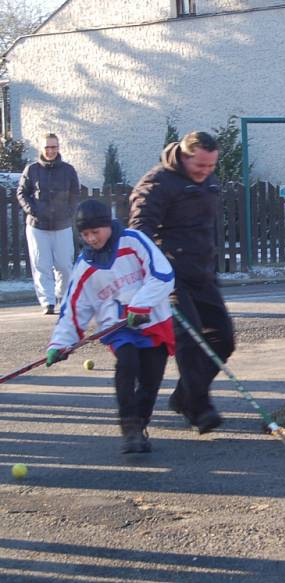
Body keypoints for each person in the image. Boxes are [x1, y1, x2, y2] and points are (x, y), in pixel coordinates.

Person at [46, 199, 175, 453]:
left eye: (95, 232)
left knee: (151, 379)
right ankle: (130, 429)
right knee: (126, 365)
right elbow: (74, 308)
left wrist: (140, 305)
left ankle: (141, 423)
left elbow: (163, 273)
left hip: (153, 321)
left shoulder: (133, 241)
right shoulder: (84, 267)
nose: (91, 239)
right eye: (85, 234)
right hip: (118, 327)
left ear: (108, 225)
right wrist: (60, 343)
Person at [127, 131, 233, 434]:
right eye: (200, 165)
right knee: (189, 340)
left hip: (202, 273)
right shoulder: (157, 183)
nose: (206, 172)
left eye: (211, 166)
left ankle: (185, 396)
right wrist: (152, 275)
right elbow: (139, 231)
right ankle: (200, 408)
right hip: (169, 276)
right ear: (185, 156)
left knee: (223, 339)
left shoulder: (209, 182)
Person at [16, 133, 80, 315]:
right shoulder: (32, 170)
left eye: (54, 147)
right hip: (37, 226)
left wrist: (69, 212)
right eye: (47, 147)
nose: (51, 151)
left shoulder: (68, 170)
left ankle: (64, 297)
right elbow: (22, 193)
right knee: (41, 264)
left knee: (64, 265)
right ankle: (48, 302)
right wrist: (32, 210)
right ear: (41, 149)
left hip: (62, 224)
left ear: (58, 148)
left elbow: (75, 193)